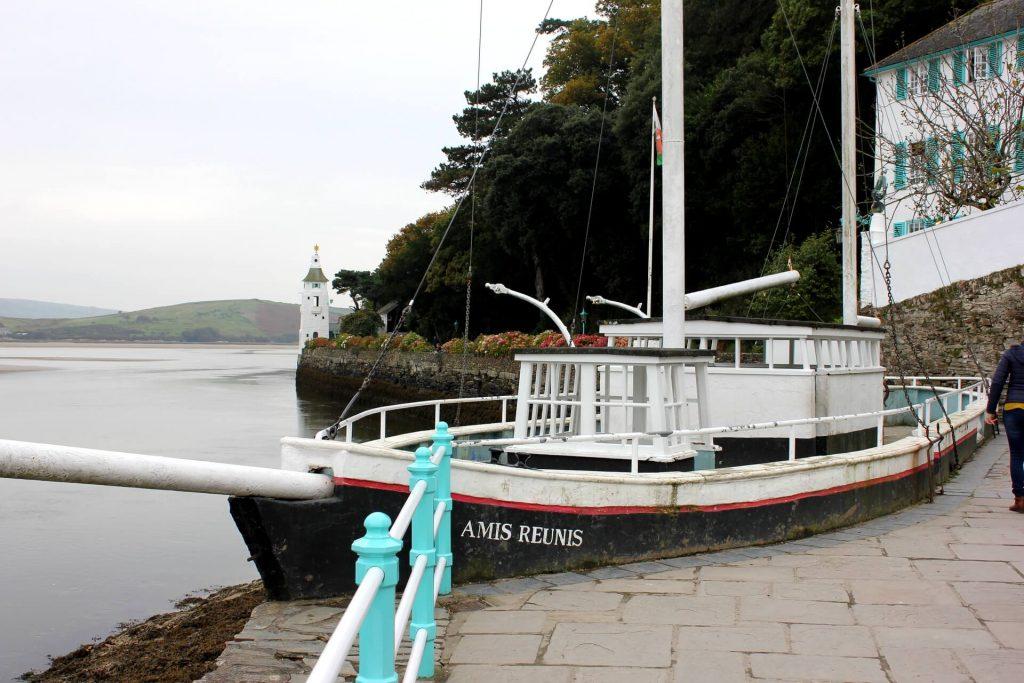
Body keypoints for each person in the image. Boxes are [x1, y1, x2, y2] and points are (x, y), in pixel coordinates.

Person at [985, 343, 1024, 512]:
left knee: (1016, 455)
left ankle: (1020, 499)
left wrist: (990, 410)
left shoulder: (1011, 354)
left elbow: (998, 381)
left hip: (1014, 408)